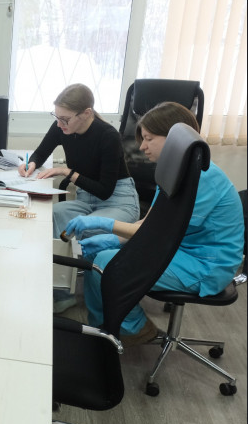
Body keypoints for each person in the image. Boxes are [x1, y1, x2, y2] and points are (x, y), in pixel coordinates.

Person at [64, 102, 244, 345]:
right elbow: (149, 223)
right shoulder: (175, 170)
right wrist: (112, 239)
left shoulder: (202, 178)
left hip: (206, 265)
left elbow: (153, 232)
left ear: (174, 139)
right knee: (98, 256)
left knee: (105, 263)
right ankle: (104, 326)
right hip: (179, 248)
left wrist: (104, 225)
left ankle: (132, 328)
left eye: (149, 138)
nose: (142, 146)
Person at [20, 83, 140, 239]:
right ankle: (62, 255)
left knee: (84, 228)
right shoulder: (61, 127)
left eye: (65, 119)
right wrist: (32, 164)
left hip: (118, 201)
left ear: (86, 113)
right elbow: (41, 153)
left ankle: (79, 255)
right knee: (53, 214)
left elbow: (104, 191)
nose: (59, 124)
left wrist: (67, 172)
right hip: (85, 199)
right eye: (56, 117)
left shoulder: (108, 136)